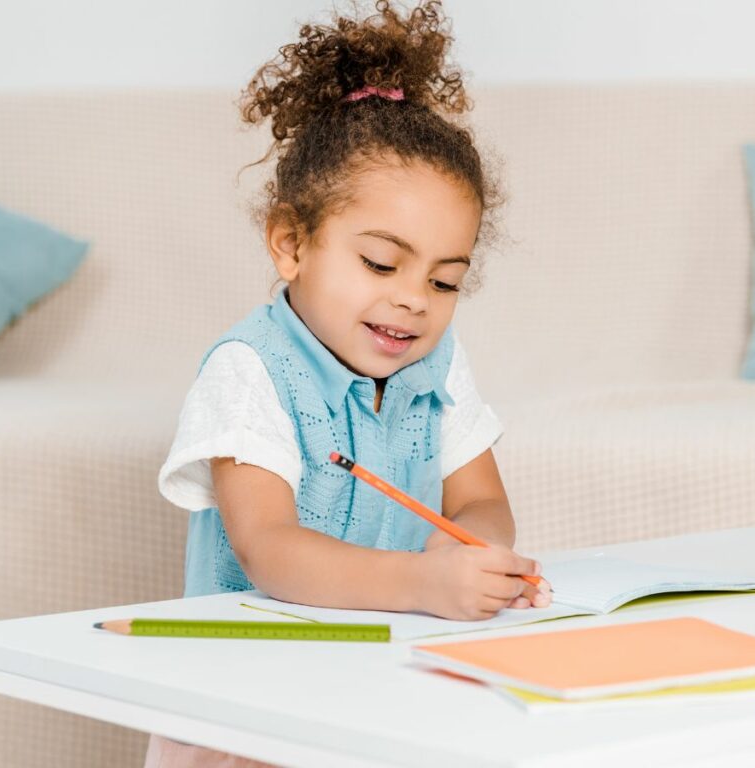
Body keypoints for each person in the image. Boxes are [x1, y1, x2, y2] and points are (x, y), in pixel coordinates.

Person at [146, 2, 550, 765]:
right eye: (380, 263)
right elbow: (270, 548)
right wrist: (425, 584)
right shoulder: (250, 369)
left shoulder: (437, 362)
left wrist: (473, 555)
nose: (413, 300)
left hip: (377, 681)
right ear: (291, 243)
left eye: (444, 280)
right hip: (249, 704)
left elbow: (481, 502)